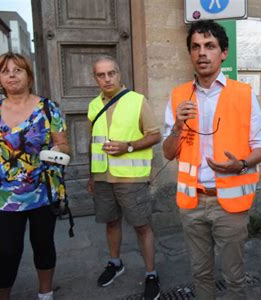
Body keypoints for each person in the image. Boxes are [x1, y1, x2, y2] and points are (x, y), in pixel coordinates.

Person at [163, 20, 261, 299]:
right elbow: (168, 152)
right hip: (192, 202)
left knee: (234, 276)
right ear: (190, 54)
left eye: (209, 46)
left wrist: (241, 164)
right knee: (200, 273)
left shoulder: (243, 94)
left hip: (230, 205)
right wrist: (177, 126)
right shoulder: (177, 96)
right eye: (196, 47)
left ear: (224, 52)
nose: (202, 53)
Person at [0, 52, 70, 300]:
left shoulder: (49, 109)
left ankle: (45, 294)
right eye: (5, 71)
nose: (11, 75)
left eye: (18, 70)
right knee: (8, 252)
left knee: (43, 245)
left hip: (42, 192)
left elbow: (64, 145)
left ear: (29, 75)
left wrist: (57, 150)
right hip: (4, 196)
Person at [87, 56, 161, 299]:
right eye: (101, 75)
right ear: (95, 78)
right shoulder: (93, 106)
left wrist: (127, 147)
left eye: (111, 73)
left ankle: (151, 274)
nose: (107, 78)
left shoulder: (138, 101)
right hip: (103, 178)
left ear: (119, 74)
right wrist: (92, 176)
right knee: (111, 223)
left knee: (142, 226)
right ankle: (115, 263)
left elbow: (155, 136)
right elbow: (94, 144)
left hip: (131, 178)